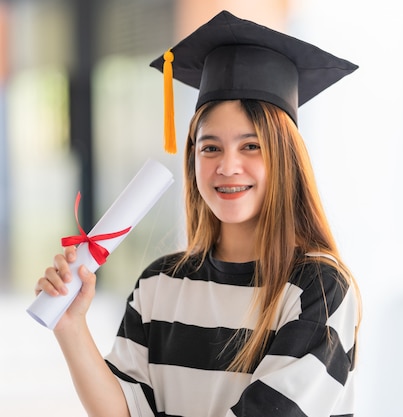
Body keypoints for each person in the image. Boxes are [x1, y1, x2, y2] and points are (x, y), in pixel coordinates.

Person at [34, 10, 361, 417]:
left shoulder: (318, 289)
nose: (227, 166)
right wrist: (71, 325)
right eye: (210, 148)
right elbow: (124, 411)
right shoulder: (159, 283)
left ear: (286, 158)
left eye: (250, 146)